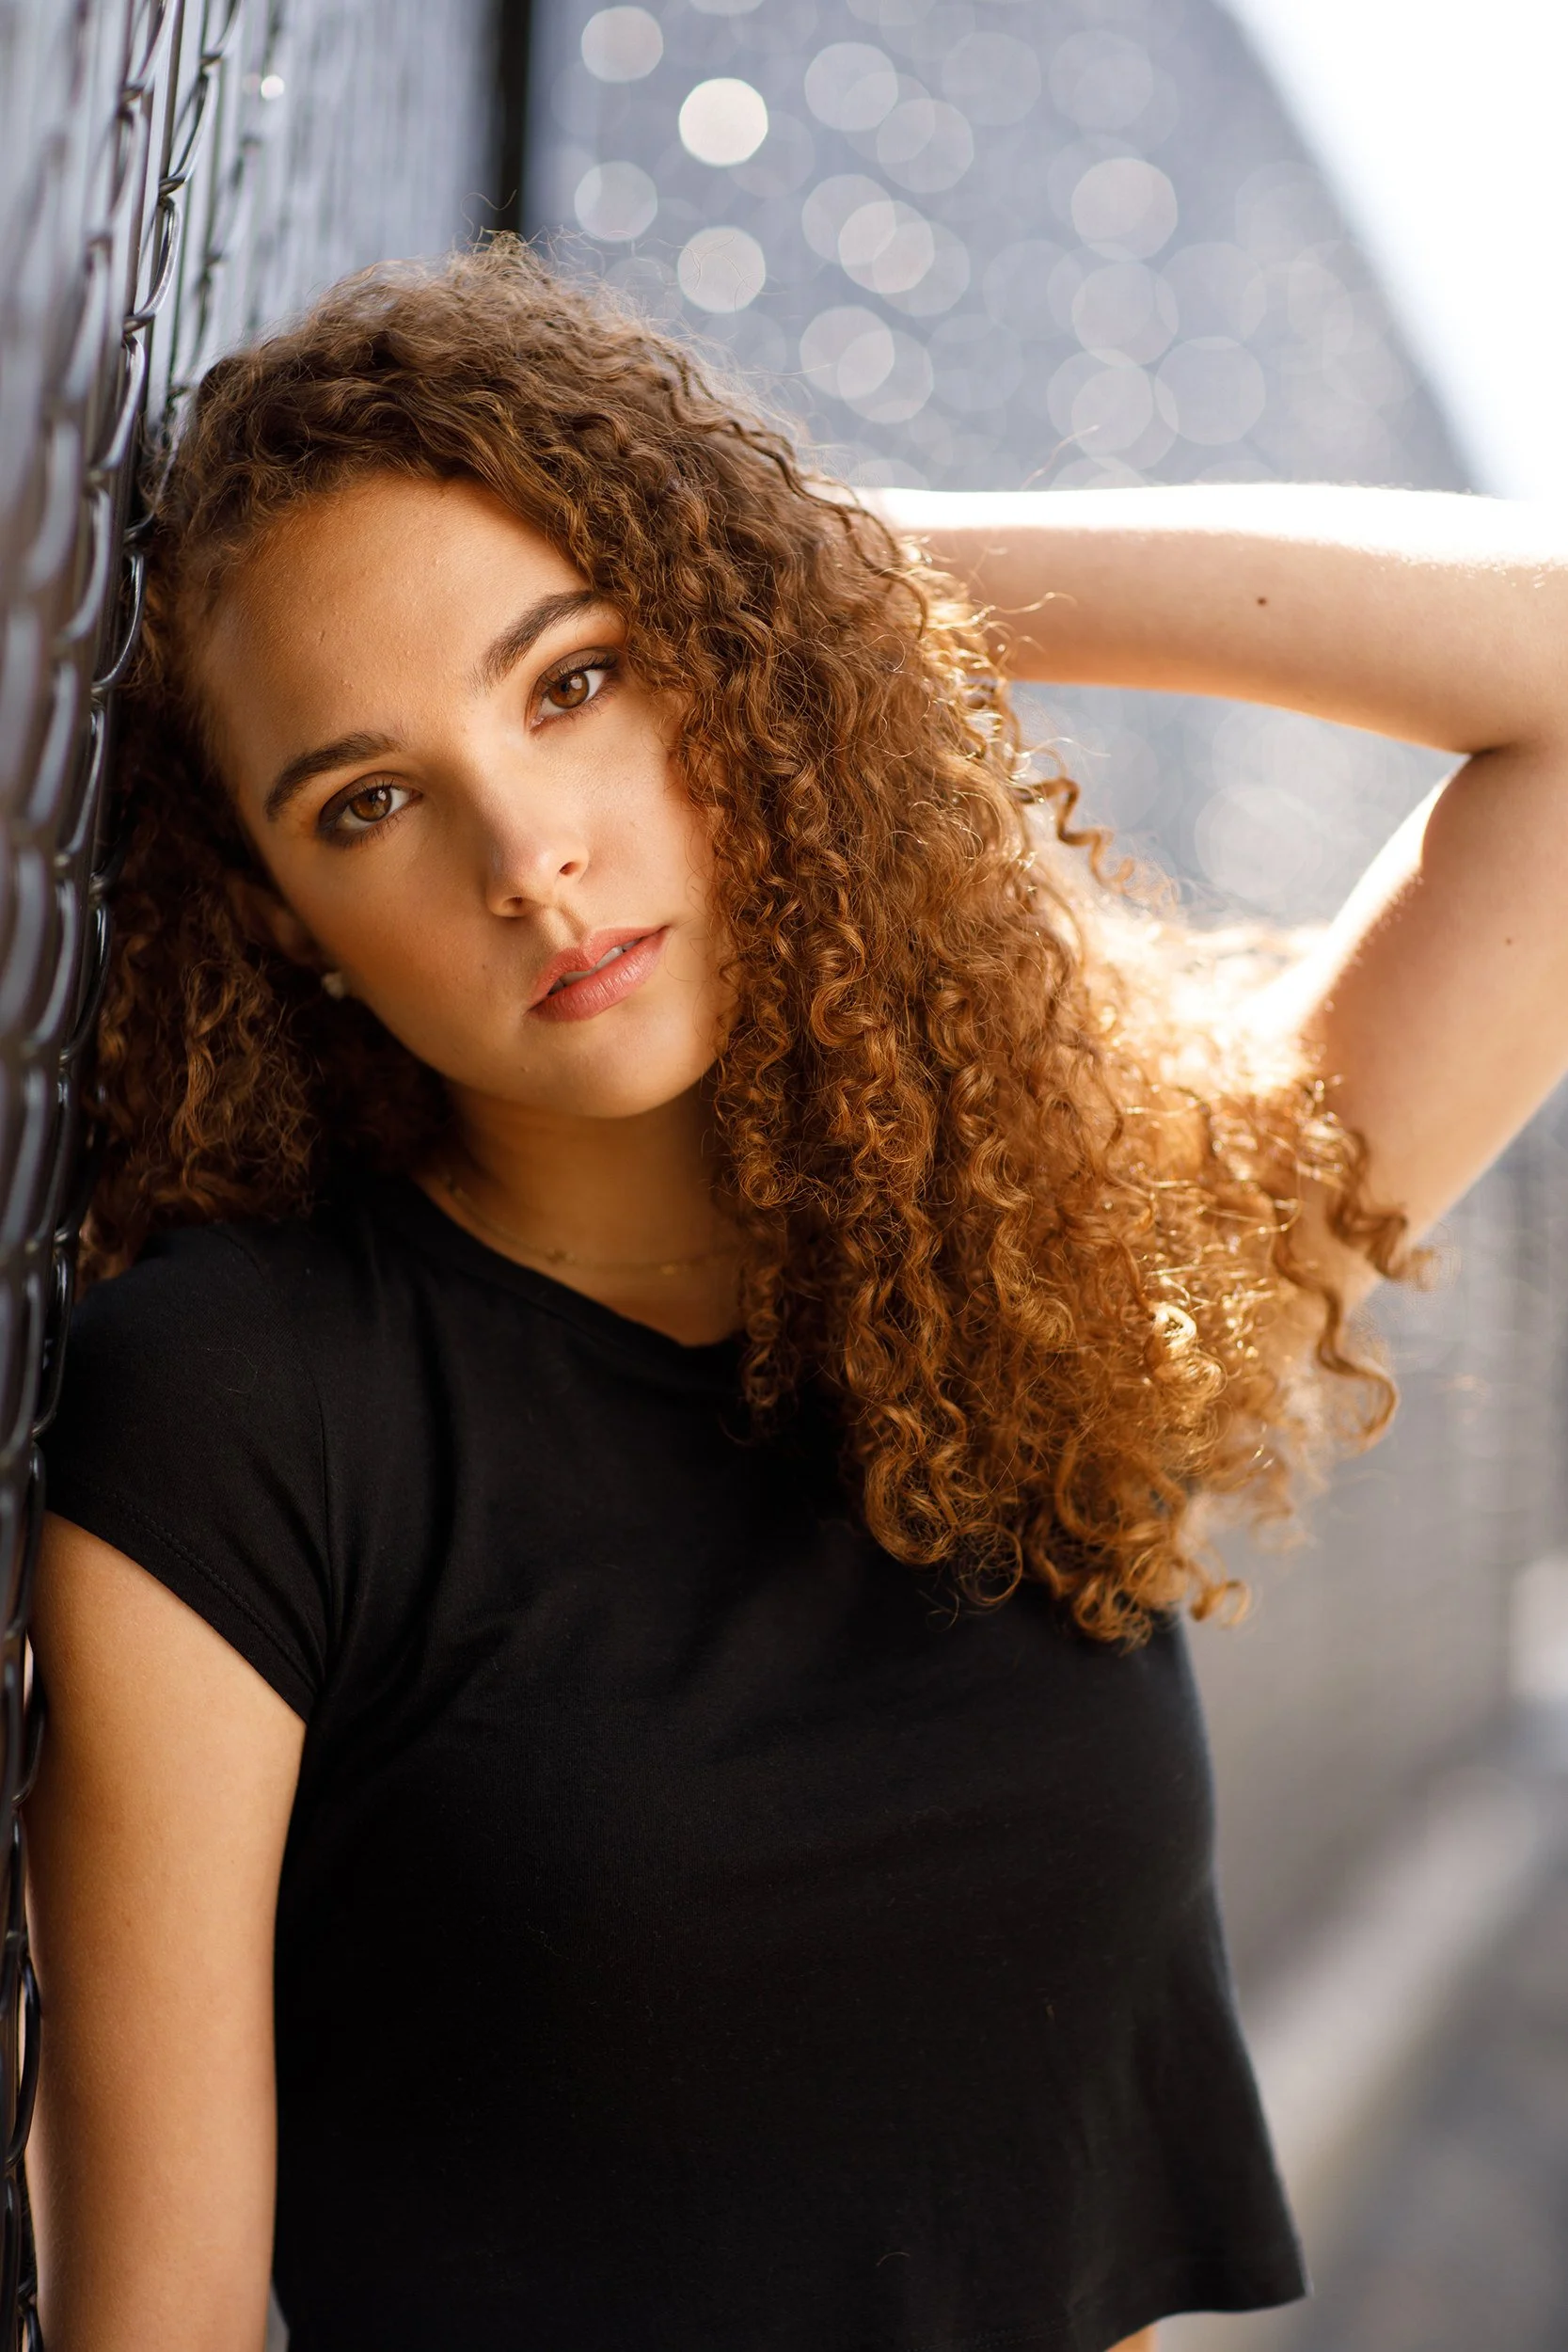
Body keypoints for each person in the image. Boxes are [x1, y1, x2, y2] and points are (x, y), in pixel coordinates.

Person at [22, 240, 1568, 2352]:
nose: (528, 853)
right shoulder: (241, 1410)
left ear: (728, 666)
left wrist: (786, 560)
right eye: (367, 800)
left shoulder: (1027, 1269)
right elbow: (157, 2323)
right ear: (283, 919)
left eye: (576, 677)